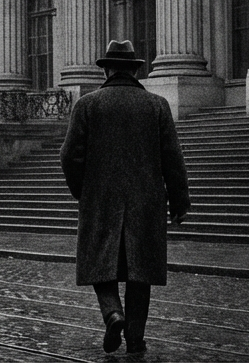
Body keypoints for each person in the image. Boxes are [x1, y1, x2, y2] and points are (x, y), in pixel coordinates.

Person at [61, 40, 190, 356]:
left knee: (97, 263)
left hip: (100, 199)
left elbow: (68, 156)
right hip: (146, 202)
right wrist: (179, 201)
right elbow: (172, 157)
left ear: (106, 69)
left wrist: (84, 190)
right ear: (134, 70)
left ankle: (112, 313)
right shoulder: (157, 105)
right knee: (140, 272)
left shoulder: (88, 105)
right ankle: (135, 338)